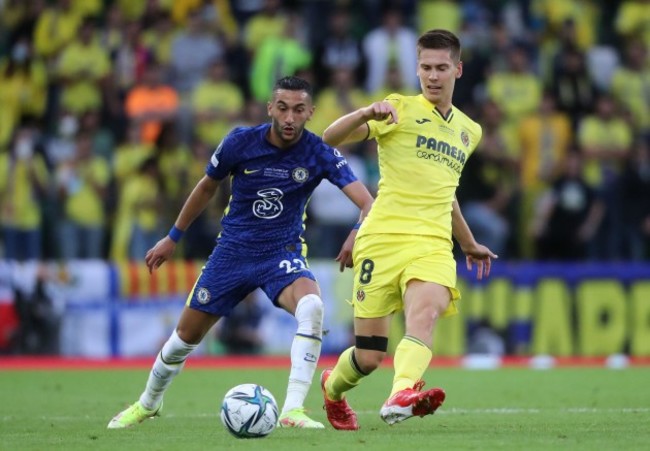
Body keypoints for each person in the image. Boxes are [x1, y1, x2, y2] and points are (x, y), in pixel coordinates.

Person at [107, 76, 374, 430]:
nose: (290, 118)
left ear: (311, 112)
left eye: (298, 110)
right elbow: (205, 188)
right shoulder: (239, 142)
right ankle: (147, 404)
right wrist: (172, 237)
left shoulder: (319, 152)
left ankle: (293, 410)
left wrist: (356, 232)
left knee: (312, 307)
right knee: (181, 341)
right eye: (282, 108)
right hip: (232, 253)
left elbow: (368, 202)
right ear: (270, 108)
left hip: (281, 252)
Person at [319, 29, 497, 431]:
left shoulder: (470, 131)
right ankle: (332, 388)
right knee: (367, 356)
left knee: (427, 310)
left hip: (432, 242)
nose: (433, 76)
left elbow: (444, 191)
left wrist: (467, 243)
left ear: (458, 69)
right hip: (381, 239)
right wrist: (366, 113)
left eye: (441, 68)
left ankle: (402, 392)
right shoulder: (396, 109)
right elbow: (328, 140)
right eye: (425, 68)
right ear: (417, 69)